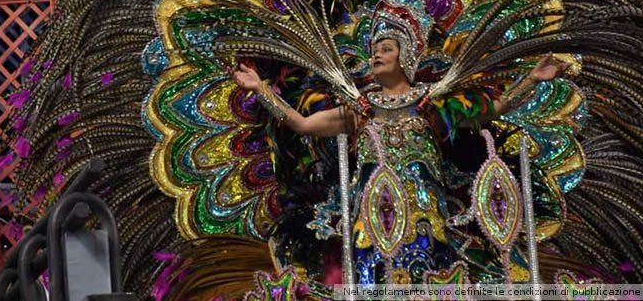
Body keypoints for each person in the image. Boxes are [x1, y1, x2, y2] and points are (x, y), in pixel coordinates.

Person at [232, 35, 568, 284]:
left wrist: (532, 80)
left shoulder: (433, 106)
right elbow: (301, 124)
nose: (377, 54)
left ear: (405, 58)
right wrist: (261, 89)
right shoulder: (358, 111)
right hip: (371, 230)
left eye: (386, 49)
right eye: (374, 50)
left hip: (428, 223)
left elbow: (497, 107)